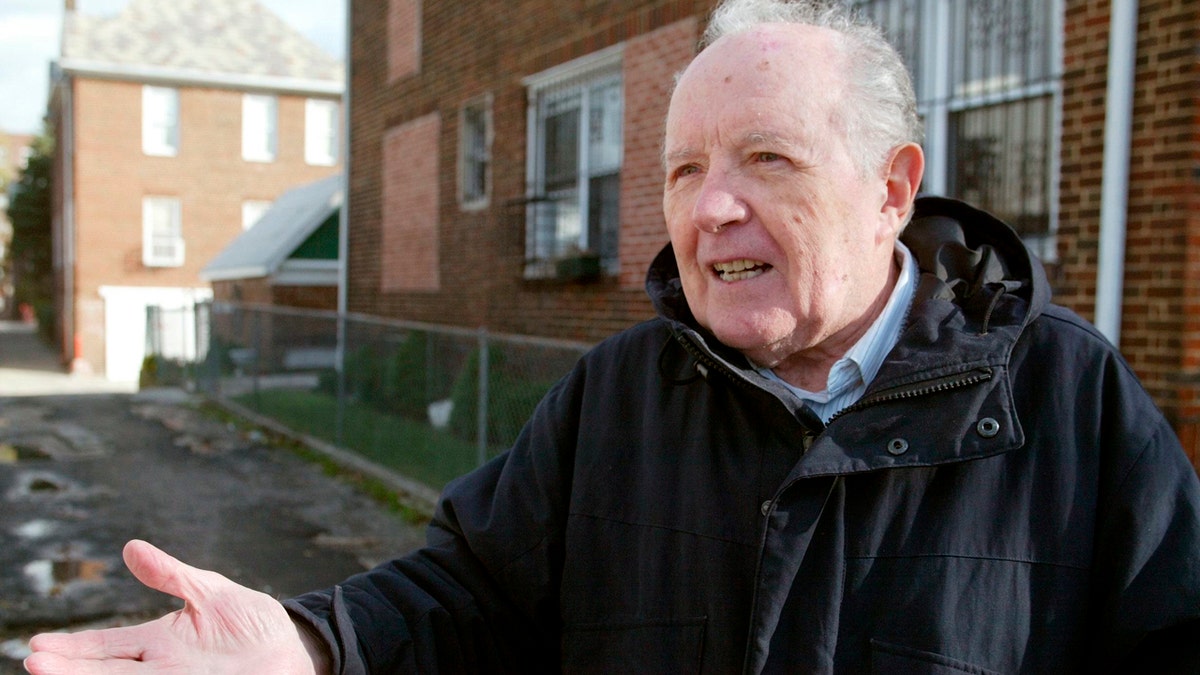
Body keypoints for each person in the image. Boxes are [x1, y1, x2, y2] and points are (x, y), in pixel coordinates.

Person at [25, 0, 1200, 672]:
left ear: (893, 188)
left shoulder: (1069, 403)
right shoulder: (616, 397)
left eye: (766, 160)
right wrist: (306, 648)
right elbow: (461, 596)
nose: (706, 208)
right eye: (684, 169)